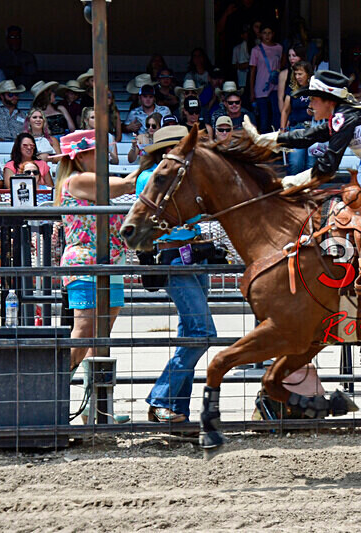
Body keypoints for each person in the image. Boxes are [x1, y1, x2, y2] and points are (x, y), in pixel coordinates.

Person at [246, 70, 361, 312]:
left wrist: (287, 183)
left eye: (314, 99)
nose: (310, 104)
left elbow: (326, 168)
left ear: (329, 100)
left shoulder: (345, 116)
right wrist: (266, 139)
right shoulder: (345, 116)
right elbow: (307, 136)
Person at [133, 126, 217, 423]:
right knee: (202, 333)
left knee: (191, 334)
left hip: (189, 255)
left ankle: (176, 409)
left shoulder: (173, 176)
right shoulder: (153, 177)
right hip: (173, 257)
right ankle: (162, 399)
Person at [52, 129, 136, 372]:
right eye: (95, 153)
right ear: (79, 157)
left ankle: (93, 401)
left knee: (100, 336)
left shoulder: (83, 181)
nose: (103, 157)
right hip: (87, 262)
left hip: (109, 263)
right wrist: (156, 164)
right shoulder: (78, 180)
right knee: (84, 333)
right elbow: (127, 185)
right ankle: (57, 387)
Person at [280, 61, 313, 174]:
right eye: (296, 74)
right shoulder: (292, 89)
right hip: (297, 128)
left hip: (314, 129)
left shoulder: (314, 89)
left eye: (300, 74)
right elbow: (285, 110)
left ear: (308, 74)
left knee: (311, 164)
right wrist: (282, 130)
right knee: (295, 163)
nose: (297, 77)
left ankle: (311, 191)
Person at [249, 23, 283, 133]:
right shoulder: (256, 50)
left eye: (269, 33)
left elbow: (282, 65)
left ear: (273, 34)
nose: (267, 36)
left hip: (276, 86)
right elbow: (253, 71)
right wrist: (251, 91)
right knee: (264, 118)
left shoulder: (279, 48)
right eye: (264, 33)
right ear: (260, 35)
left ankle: (277, 142)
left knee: (276, 115)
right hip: (261, 86)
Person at [232, 24, 253, 91]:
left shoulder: (256, 47)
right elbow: (234, 65)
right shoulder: (236, 49)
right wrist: (245, 65)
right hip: (242, 78)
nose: (247, 34)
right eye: (245, 33)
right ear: (241, 35)